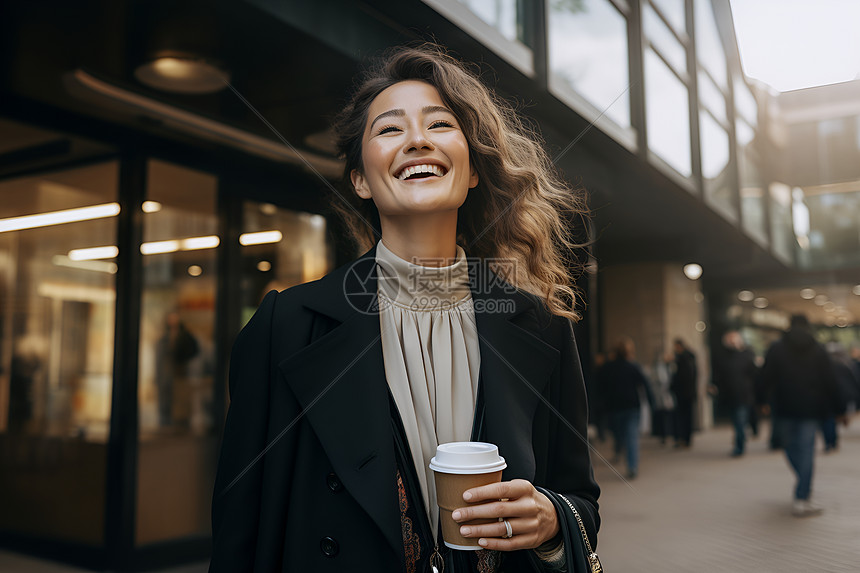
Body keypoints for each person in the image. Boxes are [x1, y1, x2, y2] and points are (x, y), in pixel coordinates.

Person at [209, 44, 599, 572]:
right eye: (390, 129)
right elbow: (241, 533)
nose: (417, 139)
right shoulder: (285, 326)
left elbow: (580, 500)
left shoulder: (542, 327)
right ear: (362, 181)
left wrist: (551, 519)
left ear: (473, 170)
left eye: (439, 124)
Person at [760, 314, 846, 517]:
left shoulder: (777, 348)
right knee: (806, 450)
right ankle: (802, 495)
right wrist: (840, 409)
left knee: (790, 448)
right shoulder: (818, 349)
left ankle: (802, 488)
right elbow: (831, 381)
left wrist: (761, 401)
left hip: (784, 407)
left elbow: (765, 376)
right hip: (811, 408)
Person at [600, 338, 653, 479]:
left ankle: (619, 451)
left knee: (619, 433)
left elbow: (599, 388)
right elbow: (645, 384)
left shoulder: (607, 367)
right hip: (631, 407)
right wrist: (652, 403)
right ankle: (632, 466)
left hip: (614, 407)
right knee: (631, 436)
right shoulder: (633, 366)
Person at [712, 331, 758, 457]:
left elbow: (754, 374)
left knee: (740, 421)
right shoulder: (722, 357)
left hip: (743, 395)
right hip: (729, 395)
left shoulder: (747, 355)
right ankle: (740, 441)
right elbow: (718, 375)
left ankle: (739, 445)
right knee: (737, 421)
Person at [671, 338, 698, 448]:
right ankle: (685, 439)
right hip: (688, 393)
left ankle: (684, 439)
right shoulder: (690, 358)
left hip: (683, 393)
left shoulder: (682, 359)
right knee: (687, 417)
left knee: (683, 417)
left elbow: (681, 377)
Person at [649, 351, 675, 446]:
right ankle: (664, 434)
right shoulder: (661, 367)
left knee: (665, 416)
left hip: (663, 395)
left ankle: (665, 434)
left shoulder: (666, 366)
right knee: (664, 416)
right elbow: (663, 380)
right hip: (662, 395)